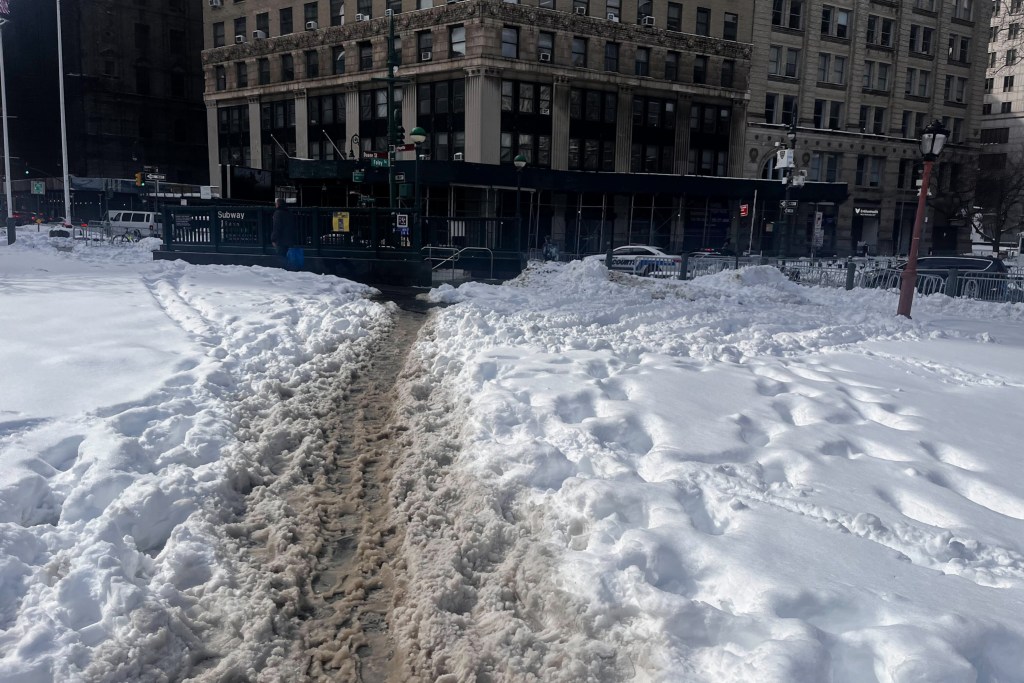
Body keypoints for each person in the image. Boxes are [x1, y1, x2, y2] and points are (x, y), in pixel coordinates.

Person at [271, 198, 296, 269]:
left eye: (276, 203)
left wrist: (273, 239)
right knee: (287, 257)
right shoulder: (289, 212)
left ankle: (284, 272)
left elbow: (276, 227)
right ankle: (289, 270)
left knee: (281, 258)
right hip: (290, 239)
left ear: (278, 204)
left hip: (281, 240)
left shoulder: (278, 213)